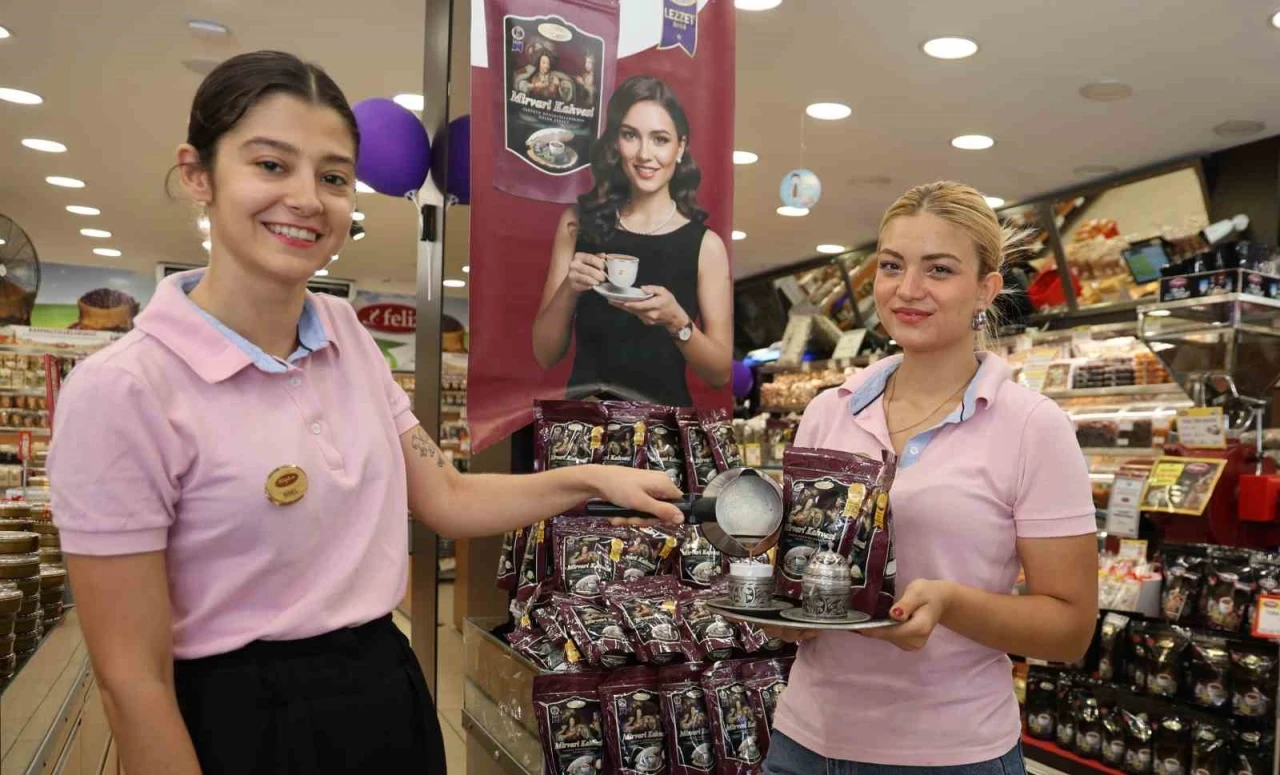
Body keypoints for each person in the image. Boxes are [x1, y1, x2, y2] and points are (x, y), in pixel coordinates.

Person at [47, 51, 683, 775]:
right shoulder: (122, 391)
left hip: (384, 689)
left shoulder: (345, 333)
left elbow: (446, 495)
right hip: (239, 723)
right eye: (270, 164)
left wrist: (593, 479)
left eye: (333, 177)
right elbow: (132, 683)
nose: (307, 199)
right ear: (198, 174)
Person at [762, 181, 1098, 773]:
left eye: (939, 269)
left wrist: (950, 604)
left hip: (951, 752)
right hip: (803, 741)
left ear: (985, 289)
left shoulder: (1031, 426)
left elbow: (1069, 630)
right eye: (892, 266)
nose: (908, 289)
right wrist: (782, 606)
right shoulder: (828, 411)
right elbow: (801, 581)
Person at [532, 75, 732, 406]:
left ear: (680, 147)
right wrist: (570, 287)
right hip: (587, 426)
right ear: (616, 141)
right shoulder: (577, 224)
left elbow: (719, 374)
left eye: (660, 139)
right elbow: (544, 354)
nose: (644, 154)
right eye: (630, 135)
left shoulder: (706, 246)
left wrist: (677, 322)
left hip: (662, 432)